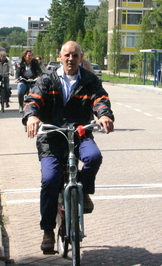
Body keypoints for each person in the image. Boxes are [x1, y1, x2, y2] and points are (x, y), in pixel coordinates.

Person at [24, 41, 115, 253]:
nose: (71, 59)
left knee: (94, 157)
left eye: (75, 55)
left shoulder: (89, 79)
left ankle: (82, 192)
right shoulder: (47, 78)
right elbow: (33, 99)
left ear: (81, 57)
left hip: (79, 133)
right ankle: (48, 231)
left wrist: (103, 115)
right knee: (50, 179)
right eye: (67, 55)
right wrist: (32, 116)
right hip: (52, 136)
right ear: (60, 56)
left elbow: (100, 99)